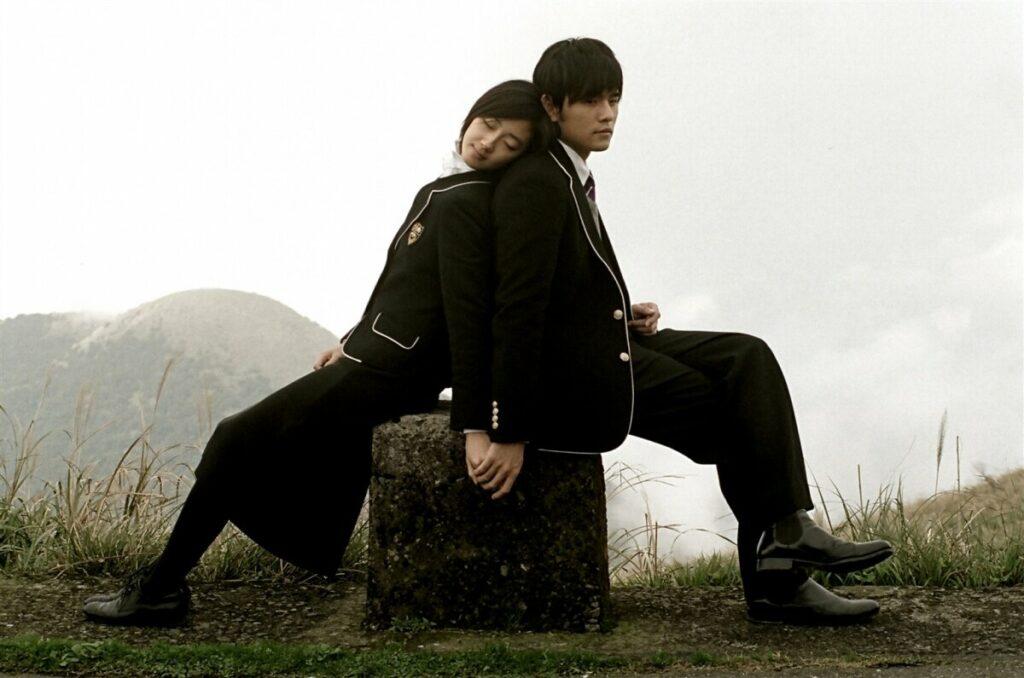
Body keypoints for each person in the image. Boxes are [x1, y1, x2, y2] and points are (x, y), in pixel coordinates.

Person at [82, 79, 550, 626]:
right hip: (374, 359)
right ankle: (163, 584)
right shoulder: (447, 188)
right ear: (473, 116)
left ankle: (159, 588)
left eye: (510, 143)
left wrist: (474, 421)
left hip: (391, 373)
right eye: (489, 124)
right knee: (249, 445)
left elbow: (468, 315)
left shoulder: (468, 201)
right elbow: (404, 290)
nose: (489, 142)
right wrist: (351, 341)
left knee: (235, 438)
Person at [466, 39, 893, 625]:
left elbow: (564, 285)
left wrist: (620, 308)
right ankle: (779, 574)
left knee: (746, 357)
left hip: (608, 341)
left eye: (614, 99)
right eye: (591, 101)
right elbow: (516, 308)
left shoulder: (568, 173)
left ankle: (788, 532)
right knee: (741, 412)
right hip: (579, 376)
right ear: (551, 105)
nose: (608, 114)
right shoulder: (538, 181)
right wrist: (508, 427)